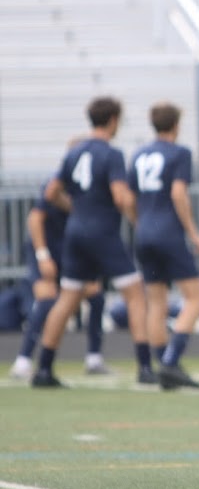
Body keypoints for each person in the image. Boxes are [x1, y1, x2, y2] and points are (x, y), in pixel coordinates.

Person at [30, 97, 153, 388]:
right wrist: (138, 220)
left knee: (67, 298)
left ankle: (43, 369)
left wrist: (77, 208)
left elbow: (51, 193)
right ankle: (146, 367)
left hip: (76, 232)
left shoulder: (74, 152)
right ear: (112, 120)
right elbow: (121, 197)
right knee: (135, 294)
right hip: (103, 233)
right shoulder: (111, 154)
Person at [129, 102, 199, 390]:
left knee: (157, 301)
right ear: (176, 124)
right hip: (169, 233)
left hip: (144, 233)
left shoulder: (139, 155)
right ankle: (171, 362)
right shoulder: (179, 153)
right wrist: (194, 233)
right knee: (196, 299)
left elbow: (128, 198)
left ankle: (162, 362)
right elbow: (178, 193)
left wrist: (140, 223)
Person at [9, 165, 108, 379]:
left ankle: (94, 358)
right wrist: (43, 256)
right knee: (46, 301)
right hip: (47, 253)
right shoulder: (56, 184)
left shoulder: (88, 189)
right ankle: (23, 361)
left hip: (71, 254)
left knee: (96, 296)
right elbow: (34, 219)